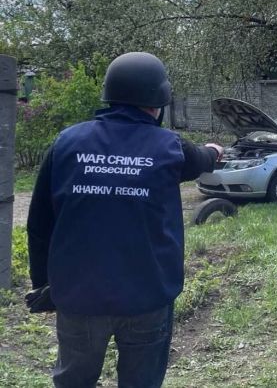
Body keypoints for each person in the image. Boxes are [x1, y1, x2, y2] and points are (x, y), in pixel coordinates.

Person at [25, 52, 224, 388]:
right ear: (158, 99)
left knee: (73, 381)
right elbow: (202, 158)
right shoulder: (170, 148)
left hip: (78, 297)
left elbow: (39, 223)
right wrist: (216, 151)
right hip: (147, 297)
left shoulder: (66, 143)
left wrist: (43, 283)